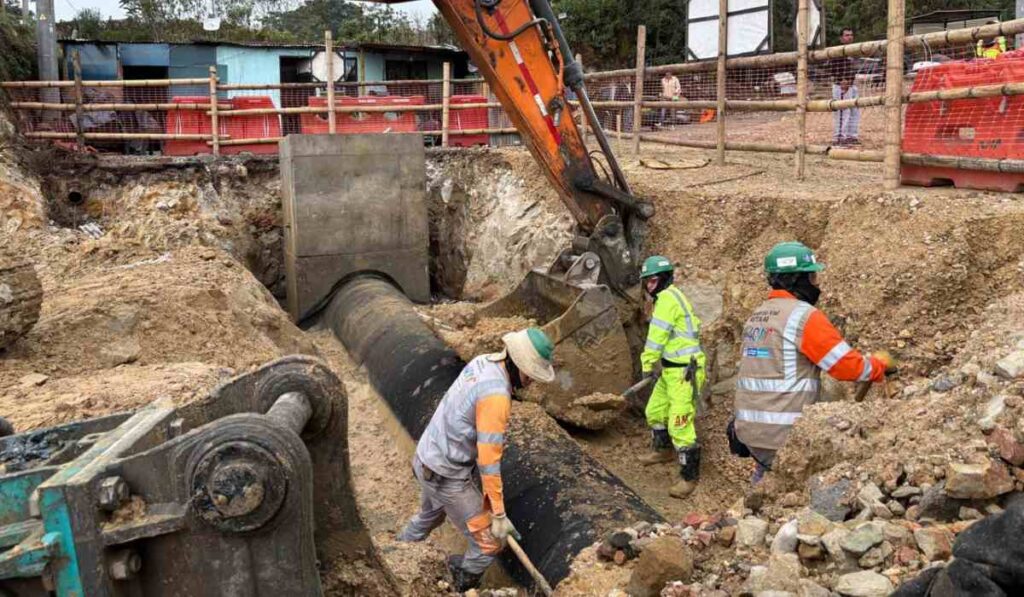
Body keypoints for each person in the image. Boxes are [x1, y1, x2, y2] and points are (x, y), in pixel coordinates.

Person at [397, 328, 556, 591]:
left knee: (430, 517)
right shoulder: (497, 397)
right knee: (489, 543)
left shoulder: (483, 362)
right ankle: (456, 583)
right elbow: (489, 461)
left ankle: (397, 552)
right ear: (519, 366)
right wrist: (499, 514)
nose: (531, 382)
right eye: (531, 375)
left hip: (428, 456)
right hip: (445, 474)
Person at [733, 242, 892, 483]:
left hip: (750, 430)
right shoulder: (803, 317)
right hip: (784, 432)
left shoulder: (758, 316)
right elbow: (846, 367)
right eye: (812, 277)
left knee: (766, 480)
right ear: (796, 280)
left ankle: (757, 500)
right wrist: (878, 366)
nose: (816, 284)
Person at [636, 256, 706, 499]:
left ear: (664, 279)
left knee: (679, 423)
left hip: (684, 373)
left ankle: (689, 477)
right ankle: (663, 450)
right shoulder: (669, 297)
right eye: (647, 282)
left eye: (653, 281)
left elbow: (656, 337)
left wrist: (647, 364)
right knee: (654, 411)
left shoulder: (667, 300)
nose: (649, 286)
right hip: (670, 370)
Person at [832, 28, 861, 146]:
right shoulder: (837, 51)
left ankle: (851, 136)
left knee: (854, 111)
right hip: (841, 86)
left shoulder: (853, 51)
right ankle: (839, 137)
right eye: (847, 35)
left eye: (851, 35)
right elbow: (833, 68)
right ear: (841, 38)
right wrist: (842, 80)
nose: (849, 37)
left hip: (852, 84)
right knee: (842, 111)